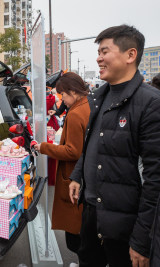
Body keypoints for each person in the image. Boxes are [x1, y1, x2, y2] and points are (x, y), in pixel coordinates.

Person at [68, 25, 160, 267]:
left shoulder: (150, 103)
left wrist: (142, 240)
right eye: (98, 51)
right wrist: (78, 175)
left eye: (104, 51)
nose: (98, 58)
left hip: (125, 226)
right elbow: (92, 144)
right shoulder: (100, 97)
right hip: (92, 213)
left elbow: (155, 180)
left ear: (130, 55)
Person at [33, 72, 90, 263]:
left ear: (73, 92)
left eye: (63, 95)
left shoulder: (75, 114)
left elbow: (73, 151)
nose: (62, 100)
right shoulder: (88, 106)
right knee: (84, 231)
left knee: (75, 235)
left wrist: (44, 148)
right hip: (84, 175)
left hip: (73, 175)